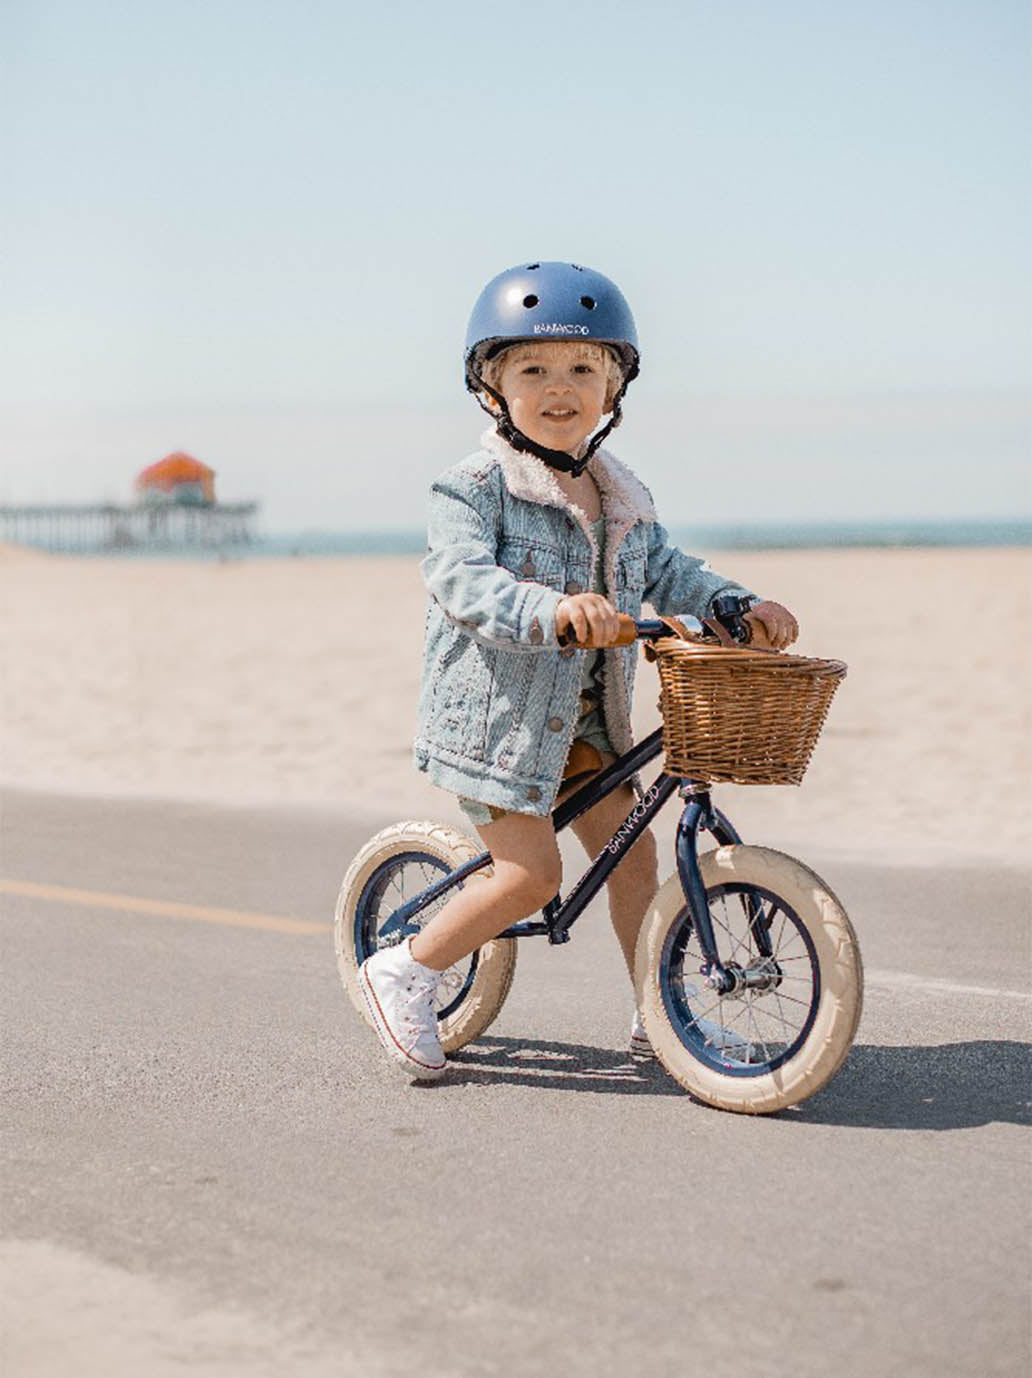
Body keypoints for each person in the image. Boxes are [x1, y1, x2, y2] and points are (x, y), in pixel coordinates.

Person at [359, 261, 799, 1081]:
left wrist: (741, 603)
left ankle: (657, 1013)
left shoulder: (621, 496)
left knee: (637, 861)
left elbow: (673, 573)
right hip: (500, 728)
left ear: (613, 389)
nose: (560, 389)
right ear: (493, 388)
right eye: (533, 370)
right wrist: (549, 608)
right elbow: (460, 579)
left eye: (583, 370)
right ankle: (405, 970)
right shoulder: (473, 487)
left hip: (593, 725)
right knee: (530, 876)